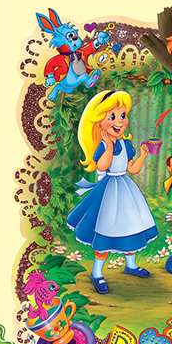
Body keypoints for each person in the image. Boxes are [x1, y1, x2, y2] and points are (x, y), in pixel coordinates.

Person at [67, 90, 158, 294]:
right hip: (108, 192)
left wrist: (142, 156)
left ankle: (131, 265)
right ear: (99, 122)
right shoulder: (102, 145)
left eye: (123, 115)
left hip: (126, 189)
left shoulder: (125, 144)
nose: (119, 121)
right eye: (112, 116)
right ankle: (97, 273)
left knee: (131, 226)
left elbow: (131, 168)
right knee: (106, 231)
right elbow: (102, 165)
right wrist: (108, 145)